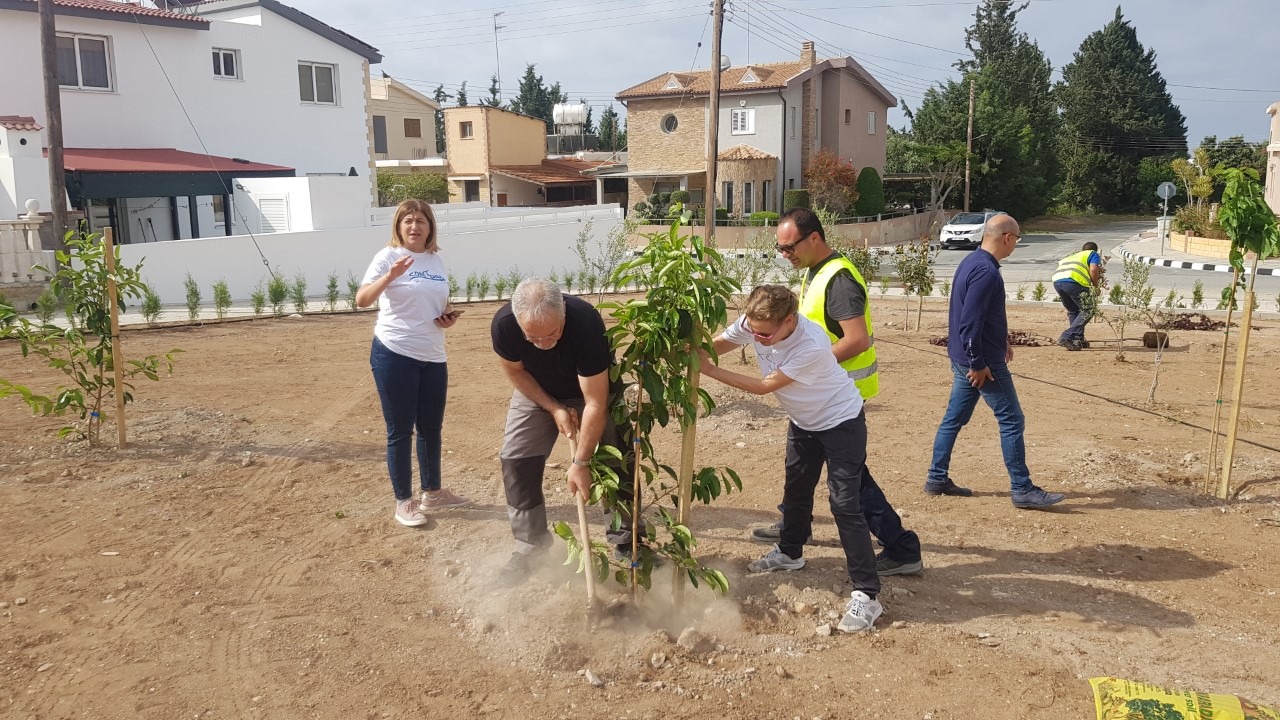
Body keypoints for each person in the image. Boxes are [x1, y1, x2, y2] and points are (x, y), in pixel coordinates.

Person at [749, 207, 923, 577]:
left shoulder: (839, 280)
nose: (785, 254)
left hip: (839, 397)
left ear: (814, 238)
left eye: (789, 247)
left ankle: (901, 548)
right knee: (801, 474)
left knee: (851, 484)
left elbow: (856, 340)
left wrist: (805, 367)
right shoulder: (816, 271)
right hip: (816, 396)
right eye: (779, 249)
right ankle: (790, 540)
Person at [700, 285, 883, 633]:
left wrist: (706, 370)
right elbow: (722, 342)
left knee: (844, 503)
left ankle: (867, 594)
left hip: (841, 422)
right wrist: (695, 350)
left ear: (789, 321)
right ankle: (790, 553)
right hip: (804, 421)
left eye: (765, 334)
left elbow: (764, 387)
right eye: (753, 331)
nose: (758, 338)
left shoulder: (810, 344)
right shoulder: (756, 322)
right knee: (796, 490)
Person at [490, 278, 636, 586]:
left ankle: (628, 541)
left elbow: (596, 402)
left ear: (564, 314)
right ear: (518, 323)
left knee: (616, 457)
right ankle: (531, 547)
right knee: (516, 458)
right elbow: (515, 371)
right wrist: (553, 408)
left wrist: (581, 463)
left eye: (553, 333)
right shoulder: (504, 326)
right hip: (538, 390)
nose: (545, 343)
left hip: (592, 393)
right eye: (534, 338)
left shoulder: (586, 325)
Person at [924, 214, 1065, 509]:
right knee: (1012, 420)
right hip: (980, 364)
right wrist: (978, 362)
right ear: (1007, 238)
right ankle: (1022, 489)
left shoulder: (972, 262)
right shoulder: (986, 271)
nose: (1015, 245)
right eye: (1017, 240)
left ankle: (936, 478)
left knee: (954, 419)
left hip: (969, 358)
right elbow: (968, 323)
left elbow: (980, 315)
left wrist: (1002, 340)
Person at [357, 199, 471, 528]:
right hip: (395, 352)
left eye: (420, 220)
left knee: (431, 428)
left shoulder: (436, 260)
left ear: (430, 227)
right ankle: (403, 501)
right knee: (400, 431)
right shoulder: (387, 257)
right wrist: (389, 276)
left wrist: (446, 316)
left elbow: (436, 301)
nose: (414, 226)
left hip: (433, 353)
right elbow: (362, 300)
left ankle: (432, 492)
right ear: (399, 226)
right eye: (407, 220)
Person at [1052, 241, 1103, 351]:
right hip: (1073, 281)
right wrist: (1095, 286)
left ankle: (1077, 339)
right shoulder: (1092, 254)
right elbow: (1094, 269)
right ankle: (1067, 336)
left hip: (1057, 281)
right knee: (1089, 309)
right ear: (1094, 250)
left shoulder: (1072, 256)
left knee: (1074, 310)